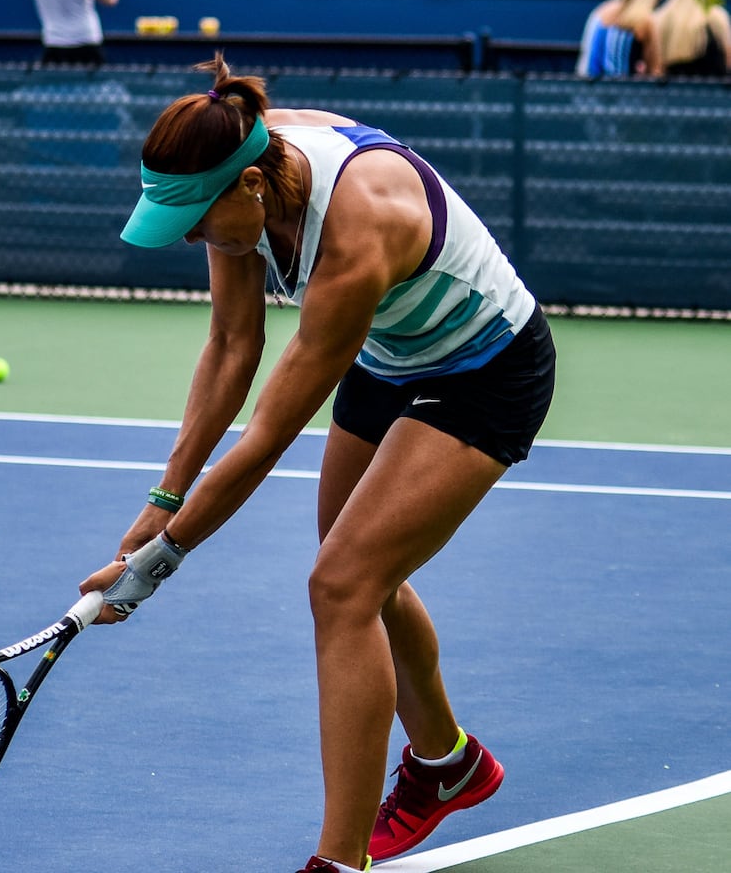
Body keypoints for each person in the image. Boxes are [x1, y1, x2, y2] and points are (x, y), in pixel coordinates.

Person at [78, 55, 556, 873]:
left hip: (486, 370)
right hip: (391, 353)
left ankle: (339, 862)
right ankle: (449, 766)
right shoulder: (237, 164)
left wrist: (161, 559)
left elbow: (265, 438)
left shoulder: (359, 221)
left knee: (342, 585)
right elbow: (232, 346)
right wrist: (162, 499)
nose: (193, 237)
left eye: (196, 220)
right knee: (357, 563)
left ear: (251, 190)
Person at [575, 0, 664, 78]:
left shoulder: (601, 11)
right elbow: (655, 70)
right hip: (625, 90)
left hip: (588, 86)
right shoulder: (644, 21)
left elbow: (586, 60)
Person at [653, 0, 731, 77]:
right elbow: (728, 57)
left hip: (674, 88)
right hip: (714, 87)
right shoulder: (717, 18)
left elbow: (657, 65)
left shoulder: (662, 20)